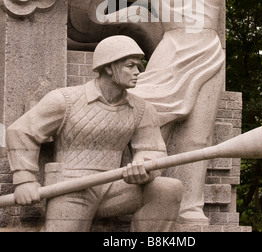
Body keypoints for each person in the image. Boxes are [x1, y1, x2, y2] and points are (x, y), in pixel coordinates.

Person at [38, 0, 262, 224]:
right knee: (149, 119)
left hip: (209, 56)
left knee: (197, 136)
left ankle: (190, 207)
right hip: (172, 54)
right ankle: (122, 190)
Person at [6, 36, 183, 232]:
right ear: (108, 68)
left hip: (116, 185)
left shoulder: (142, 109)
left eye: (138, 66)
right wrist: (25, 180)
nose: (137, 72)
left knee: (167, 189)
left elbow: (152, 148)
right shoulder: (65, 100)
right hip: (71, 187)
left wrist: (144, 165)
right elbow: (21, 131)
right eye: (130, 66)